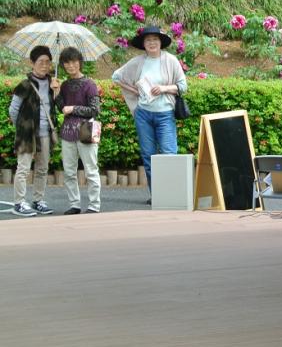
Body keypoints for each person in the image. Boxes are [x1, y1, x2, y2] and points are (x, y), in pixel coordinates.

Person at [111, 25, 187, 199]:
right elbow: (116, 77)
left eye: (155, 39)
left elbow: (183, 86)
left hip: (165, 114)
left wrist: (164, 88)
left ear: (160, 42)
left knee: (169, 154)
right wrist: (136, 91)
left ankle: (172, 196)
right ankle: (158, 196)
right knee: (149, 156)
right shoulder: (138, 62)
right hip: (143, 114)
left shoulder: (170, 60)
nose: (151, 43)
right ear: (143, 44)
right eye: (148, 40)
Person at [7, 45, 58, 216]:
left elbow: (56, 107)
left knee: (42, 168)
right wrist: (22, 128)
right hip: (27, 135)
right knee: (23, 168)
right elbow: (13, 110)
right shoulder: (25, 85)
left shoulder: (53, 83)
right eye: (41, 62)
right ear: (32, 63)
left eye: (48, 62)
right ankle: (19, 203)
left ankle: (38, 200)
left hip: (45, 133)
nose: (45, 65)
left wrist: (57, 92)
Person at [54, 47, 101, 214]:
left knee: (91, 170)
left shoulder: (90, 84)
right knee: (69, 171)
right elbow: (61, 108)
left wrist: (73, 108)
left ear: (80, 62)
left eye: (74, 61)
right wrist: (57, 92)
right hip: (67, 133)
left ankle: (94, 205)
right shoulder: (65, 85)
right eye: (66, 62)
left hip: (86, 131)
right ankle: (74, 204)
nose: (70, 65)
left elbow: (95, 110)